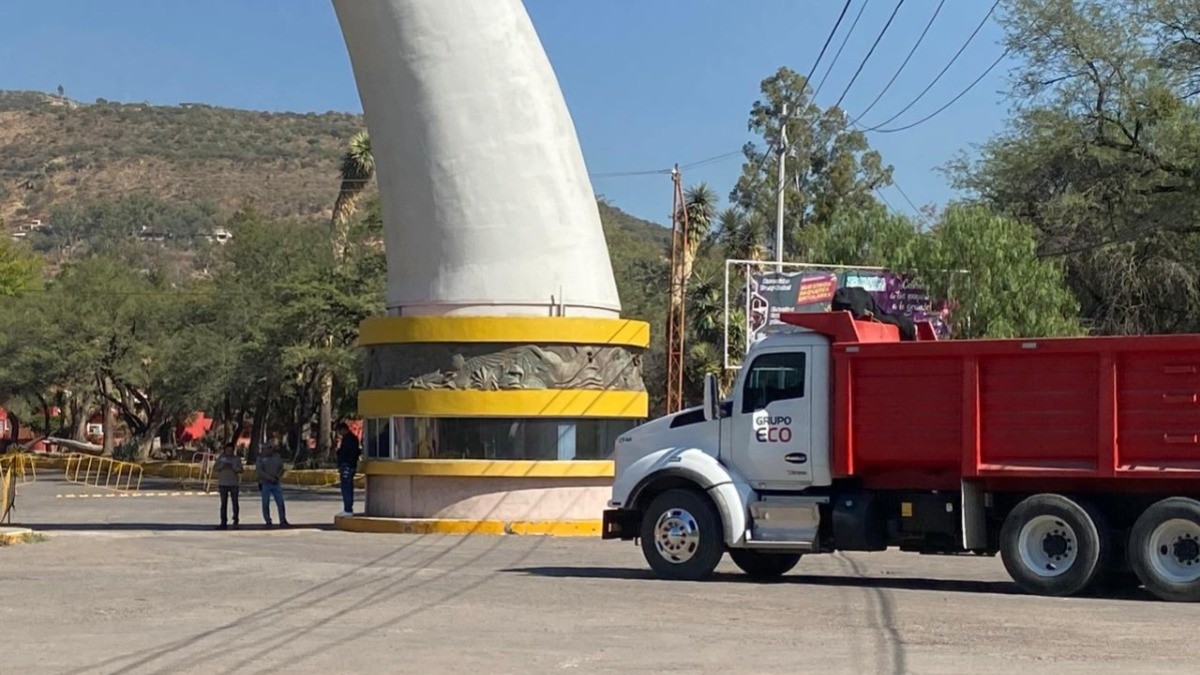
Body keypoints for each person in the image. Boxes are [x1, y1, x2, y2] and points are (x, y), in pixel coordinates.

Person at [256, 436, 289, 527]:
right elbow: (259, 471)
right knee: (265, 503)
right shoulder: (260, 459)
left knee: (280, 502)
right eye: (268, 448)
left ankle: (283, 520)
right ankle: (268, 520)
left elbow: (281, 468)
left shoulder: (277, 457)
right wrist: (269, 478)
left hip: (276, 483)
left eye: (271, 448)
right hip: (265, 483)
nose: (270, 450)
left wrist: (277, 476)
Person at [213, 443, 244, 529]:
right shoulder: (221, 458)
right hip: (223, 483)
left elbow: (241, 470)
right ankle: (223, 522)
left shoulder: (237, 459)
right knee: (223, 504)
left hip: (233, 483)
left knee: (235, 503)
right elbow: (215, 468)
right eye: (227, 450)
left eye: (231, 450)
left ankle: (236, 521)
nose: (229, 452)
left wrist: (233, 467)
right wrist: (222, 466)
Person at [335, 422, 361, 516]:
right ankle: (348, 508)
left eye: (339, 431)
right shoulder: (353, 438)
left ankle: (348, 509)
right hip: (351, 465)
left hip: (347, 466)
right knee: (347, 487)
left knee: (346, 488)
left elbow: (345, 453)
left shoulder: (348, 439)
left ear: (343, 429)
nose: (339, 434)